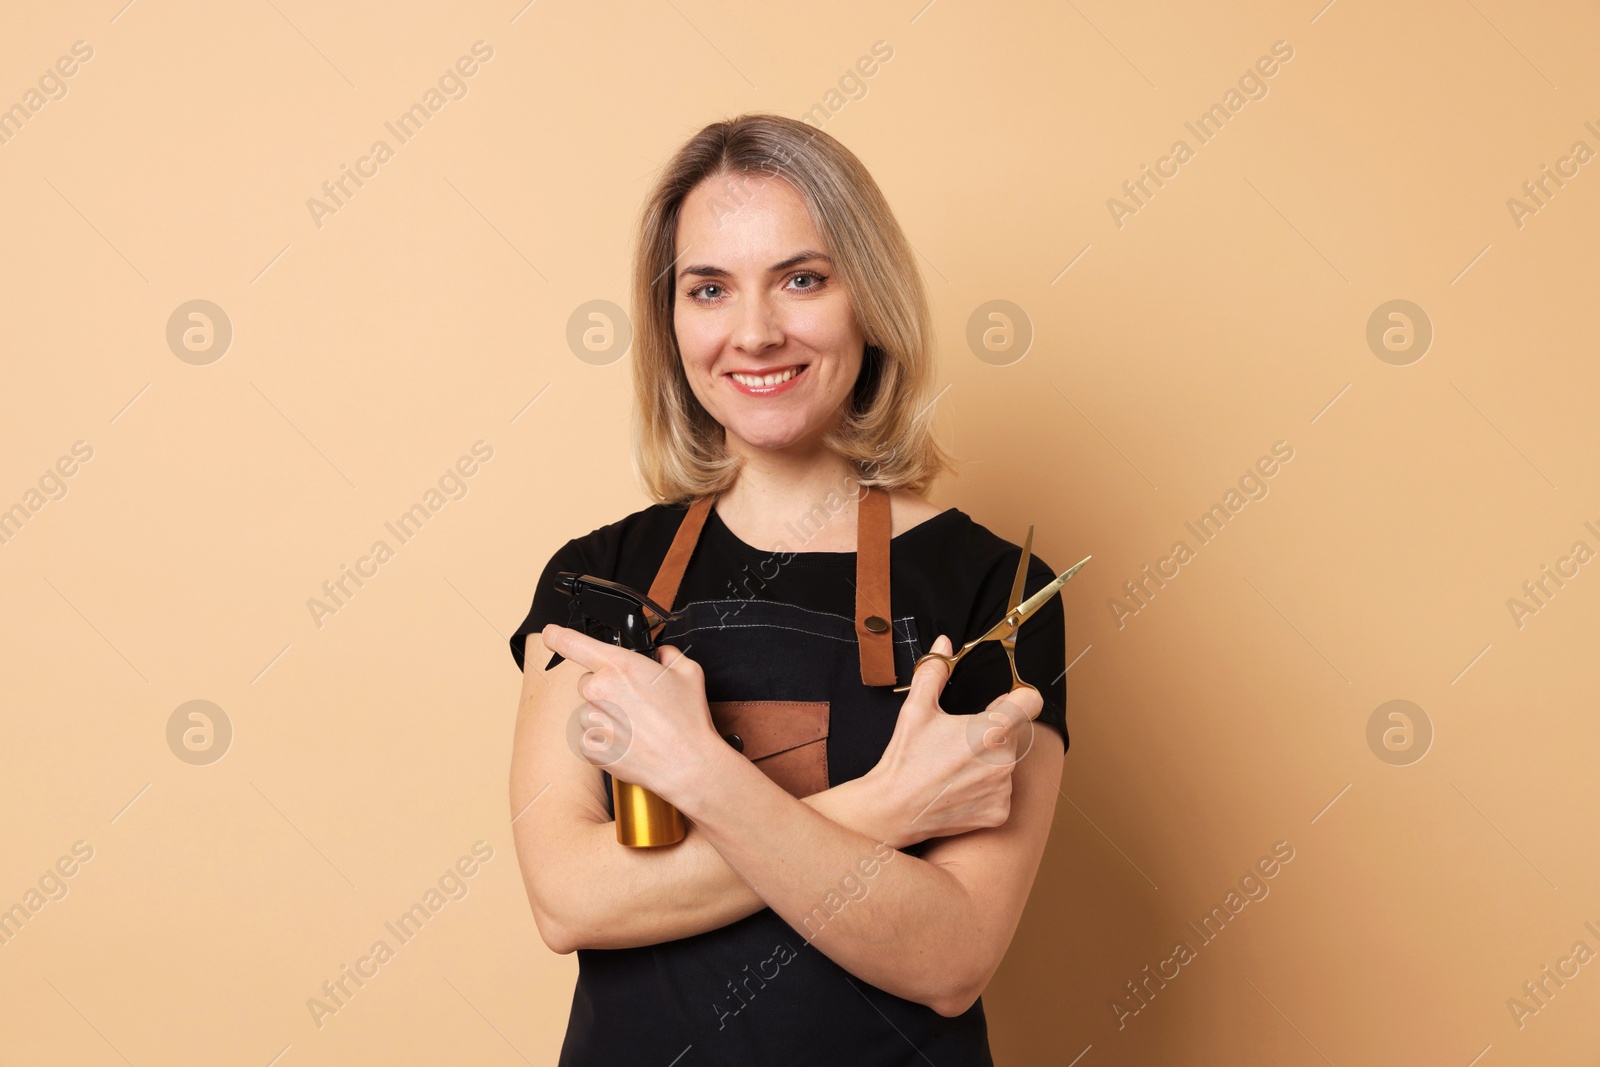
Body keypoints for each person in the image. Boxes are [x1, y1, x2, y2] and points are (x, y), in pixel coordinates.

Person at [507, 113, 1068, 1066]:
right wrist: (885, 808)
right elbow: (569, 898)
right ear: (671, 318)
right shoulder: (594, 578)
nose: (755, 333)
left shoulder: (995, 589)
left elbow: (951, 954)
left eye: (802, 279)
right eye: (710, 288)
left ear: (869, 300)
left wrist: (701, 774)